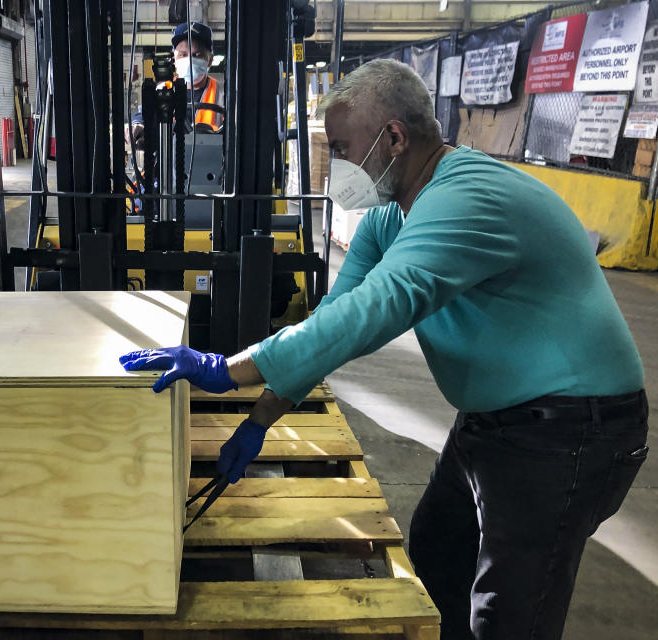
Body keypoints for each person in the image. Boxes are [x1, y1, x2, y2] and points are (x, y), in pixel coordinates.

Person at [119, 59, 649, 640]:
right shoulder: (388, 218)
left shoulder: (468, 196)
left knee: (508, 614)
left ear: (394, 137)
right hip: (493, 422)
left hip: (571, 429)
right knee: (436, 557)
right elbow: (334, 324)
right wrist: (261, 417)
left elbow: (378, 309)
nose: (338, 167)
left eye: (343, 149)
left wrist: (227, 368)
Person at [126, 21, 224, 150]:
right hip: (169, 164)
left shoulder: (224, 93)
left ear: (210, 60)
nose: (189, 60)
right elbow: (144, 114)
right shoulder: (163, 89)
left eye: (196, 55)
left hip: (212, 165)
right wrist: (138, 125)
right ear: (175, 59)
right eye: (183, 55)